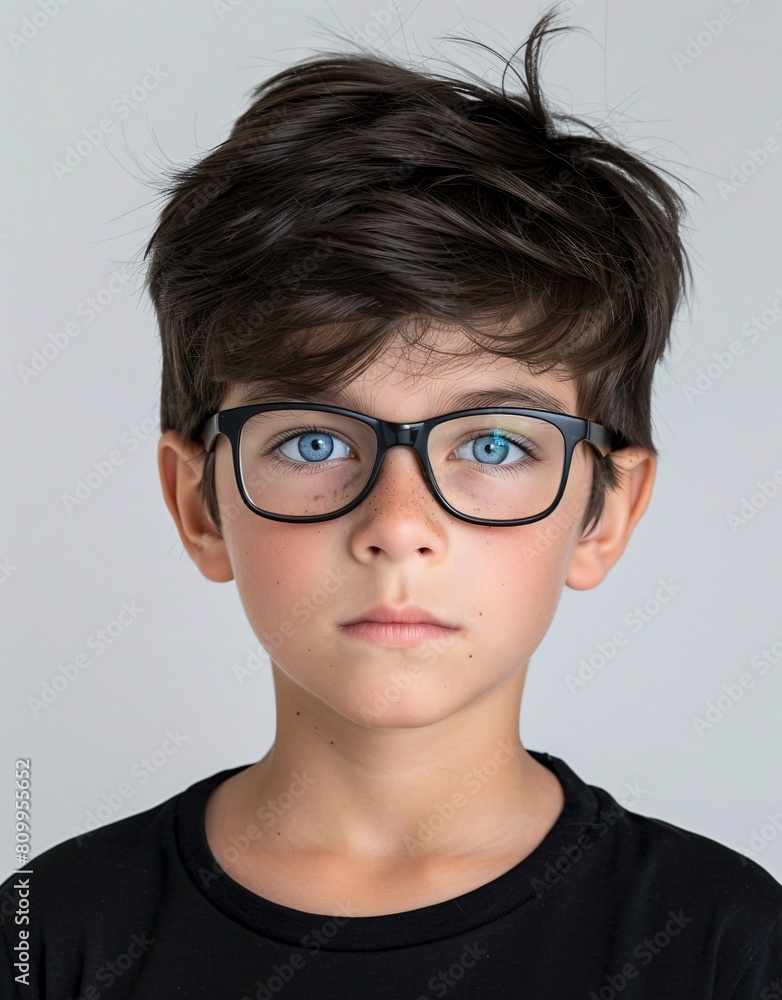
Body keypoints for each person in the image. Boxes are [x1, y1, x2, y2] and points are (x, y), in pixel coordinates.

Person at [2, 8, 780, 997]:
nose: (397, 527)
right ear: (200, 503)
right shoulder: (50, 932)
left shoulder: (723, 943)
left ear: (604, 512)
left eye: (492, 444)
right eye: (316, 441)